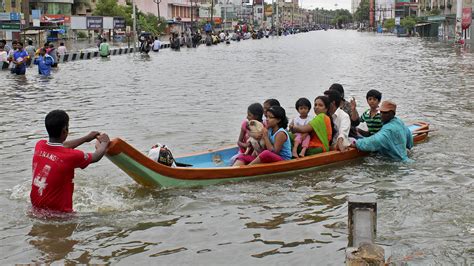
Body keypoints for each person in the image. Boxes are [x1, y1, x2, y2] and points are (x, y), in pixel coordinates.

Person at [30, 110, 110, 213]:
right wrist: (104, 143)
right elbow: (96, 157)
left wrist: (86, 138)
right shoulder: (71, 156)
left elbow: (62, 146)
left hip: (36, 210)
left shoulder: (40, 145)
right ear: (65, 131)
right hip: (61, 216)